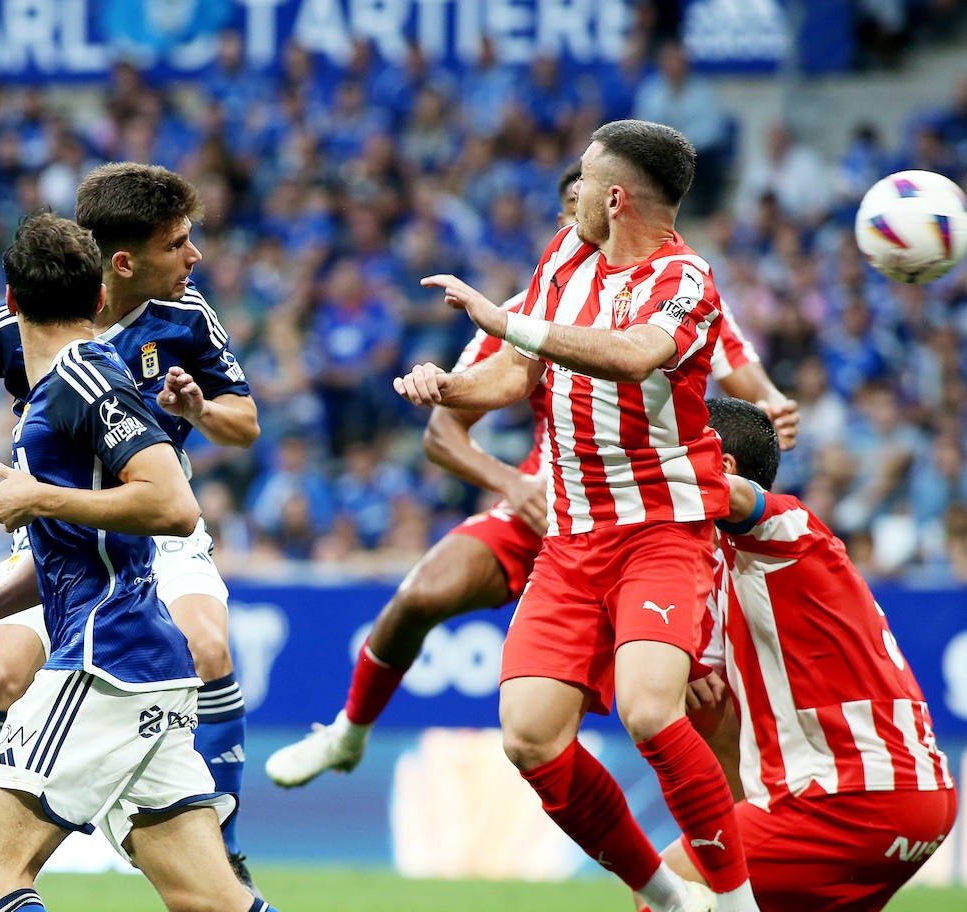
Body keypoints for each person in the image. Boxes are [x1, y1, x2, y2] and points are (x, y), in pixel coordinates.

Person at [267, 163, 799, 788]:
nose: (596, 215)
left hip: (648, 517)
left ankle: (732, 858)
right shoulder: (524, 312)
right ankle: (348, 732)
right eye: (579, 204)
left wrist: (773, 407)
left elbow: (748, 379)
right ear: (567, 219)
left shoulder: (672, 288)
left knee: (700, 708)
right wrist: (513, 485)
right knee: (424, 593)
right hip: (547, 502)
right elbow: (444, 433)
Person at [0, 163, 261, 911]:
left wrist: (41, 492)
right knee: (213, 902)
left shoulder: (87, 373)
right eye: (179, 243)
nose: (193, 256)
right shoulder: (40, 348)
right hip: (104, 588)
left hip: (109, 638)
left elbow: (174, 505)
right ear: (108, 278)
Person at [394, 120, 760, 912]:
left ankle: (737, 904)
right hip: (569, 538)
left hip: (660, 528)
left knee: (650, 710)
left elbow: (631, 355)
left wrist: (500, 318)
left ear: (616, 196)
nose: (574, 196)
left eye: (587, 182)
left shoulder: (686, 280)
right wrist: (447, 389)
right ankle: (667, 895)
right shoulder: (566, 255)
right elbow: (514, 375)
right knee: (528, 736)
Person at [641, 398, 956, 912]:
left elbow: (740, 498)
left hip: (854, 794)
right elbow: (714, 713)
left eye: (676, 447)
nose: (659, 456)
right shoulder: (728, 580)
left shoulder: (786, 525)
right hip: (907, 799)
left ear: (719, 466)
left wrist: (617, 475)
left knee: (671, 886)